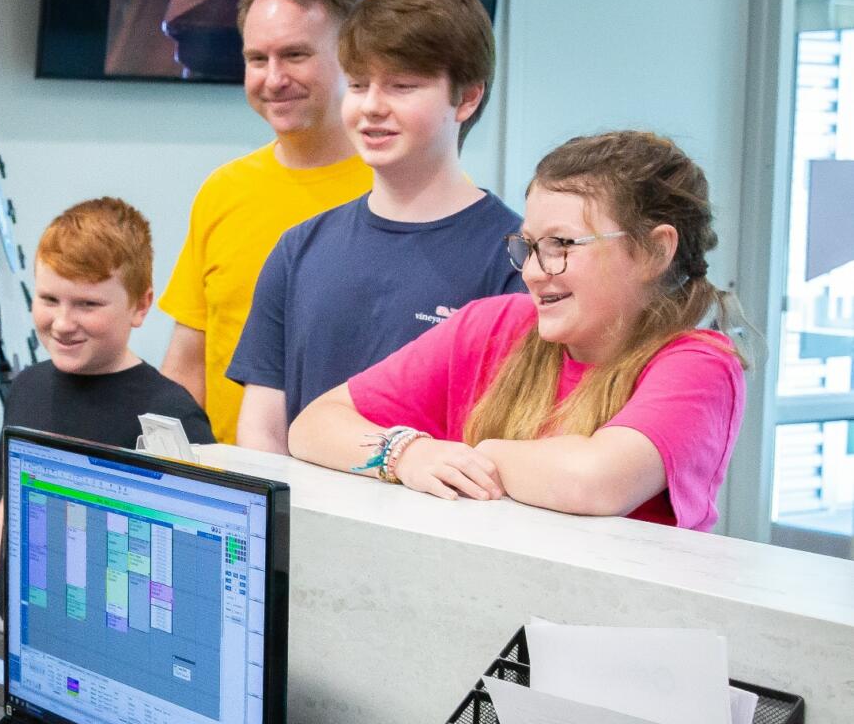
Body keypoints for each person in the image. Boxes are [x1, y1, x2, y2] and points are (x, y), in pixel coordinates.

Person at [286, 131, 747, 531]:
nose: (532, 272)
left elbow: (592, 482)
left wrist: (468, 456)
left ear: (654, 251)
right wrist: (404, 454)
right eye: (529, 246)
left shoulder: (700, 365)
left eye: (561, 245)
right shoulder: (492, 325)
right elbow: (314, 426)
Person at [229, 0, 523, 454]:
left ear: (467, 97)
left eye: (402, 86)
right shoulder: (299, 248)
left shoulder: (516, 257)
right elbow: (263, 431)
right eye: (359, 85)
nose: (371, 108)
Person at [156, 0, 373, 445]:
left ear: (353, 57)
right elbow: (189, 358)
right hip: (227, 499)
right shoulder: (224, 189)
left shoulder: (396, 191)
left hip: (352, 496)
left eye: (295, 55)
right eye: (257, 58)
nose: (274, 79)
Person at [0, 198, 212, 615]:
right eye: (49, 299)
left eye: (87, 304)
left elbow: (191, 559)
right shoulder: (27, 387)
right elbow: (11, 501)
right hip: (21, 622)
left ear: (139, 306)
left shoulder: (170, 416)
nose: (63, 323)